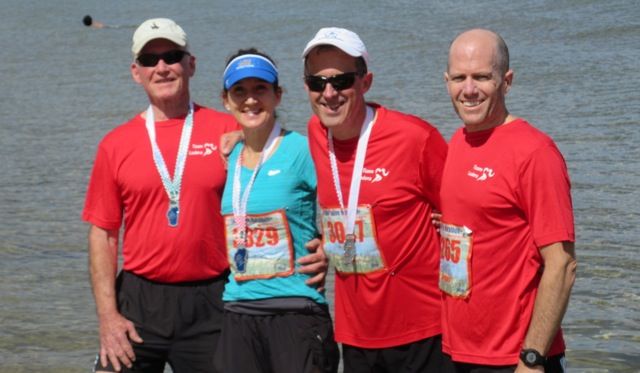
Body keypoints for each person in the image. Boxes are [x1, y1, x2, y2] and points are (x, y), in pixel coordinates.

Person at [82, 18, 326, 373]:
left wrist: (321, 244)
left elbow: (282, 184)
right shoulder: (114, 145)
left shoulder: (234, 127)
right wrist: (107, 317)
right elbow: (103, 235)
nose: (162, 67)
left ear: (191, 64)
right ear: (136, 72)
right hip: (139, 300)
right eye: (151, 60)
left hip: (214, 297)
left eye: (172, 56)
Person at [303, 27, 453, 373]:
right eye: (316, 82)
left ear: (365, 82)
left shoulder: (415, 137)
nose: (329, 93)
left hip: (425, 330)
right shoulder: (314, 134)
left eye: (341, 81)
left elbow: (465, 214)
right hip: (356, 335)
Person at [439, 28, 577, 372]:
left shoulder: (535, 152)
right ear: (446, 82)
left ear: (507, 81)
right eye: (459, 78)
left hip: (514, 358)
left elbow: (562, 266)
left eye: (482, 77)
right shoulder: (457, 142)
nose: (468, 90)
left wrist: (532, 358)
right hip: (457, 352)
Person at [214, 48, 340, 373]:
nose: (250, 100)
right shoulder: (229, 155)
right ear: (226, 100)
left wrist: (330, 247)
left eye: (261, 89)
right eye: (239, 91)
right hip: (238, 311)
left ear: (278, 95)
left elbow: (345, 201)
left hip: (295, 310)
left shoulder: (301, 149)